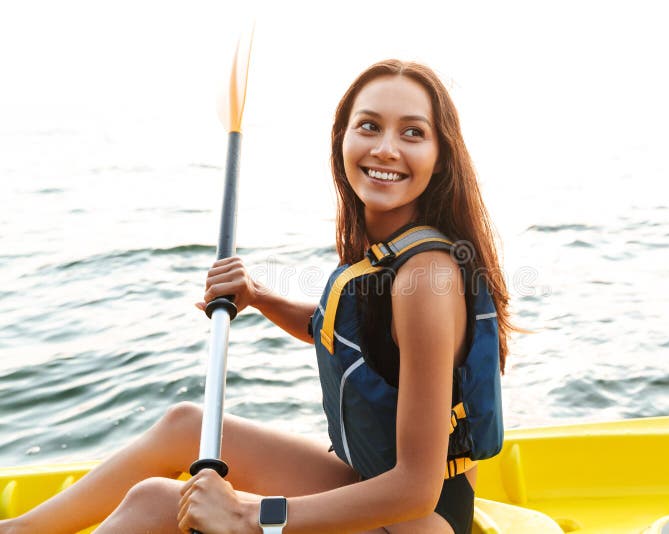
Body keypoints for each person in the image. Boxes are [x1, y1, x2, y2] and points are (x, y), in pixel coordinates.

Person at [0, 59, 512, 534]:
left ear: (441, 156)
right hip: (372, 487)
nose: (385, 148)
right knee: (187, 425)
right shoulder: (390, 255)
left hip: (417, 519)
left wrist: (248, 514)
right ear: (342, 138)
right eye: (369, 125)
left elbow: (416, 490)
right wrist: (259, 297)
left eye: (413, 133)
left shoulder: (425, 279)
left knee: (157, 501)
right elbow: (349, 336)